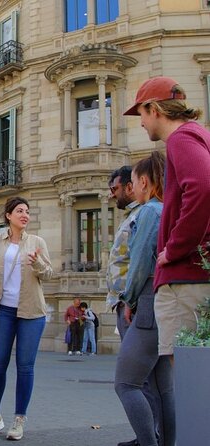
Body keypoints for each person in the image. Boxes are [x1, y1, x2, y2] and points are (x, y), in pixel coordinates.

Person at [124, 76, 210, 361]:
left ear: (154, 109)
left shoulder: (181, 139)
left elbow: (202, 187)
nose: (141, 123)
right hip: (197, 274)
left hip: (185, 278)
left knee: (187, 377)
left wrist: (173, 250)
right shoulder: (200, 135)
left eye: (141, 114)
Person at [0, 196, 54, 441]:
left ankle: (19, 420)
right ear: (8, 216)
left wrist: (38, 264)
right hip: (3, 311)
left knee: (25, 367)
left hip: (31, 312)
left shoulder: (36, 241)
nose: (25, 215)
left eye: (27, 211)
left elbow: (49, 273)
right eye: (19, 211)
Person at [114, 151, 175, 446]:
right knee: (164, 388)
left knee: (126, 384)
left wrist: (129, 298)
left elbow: (138, 262)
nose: (133, 189)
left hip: (148, 301)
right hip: (165, 301)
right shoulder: (170, 208)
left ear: (146, 182)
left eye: (136, 182)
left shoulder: (150, 211)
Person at [107, 166, 142, 339]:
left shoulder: (143, 214)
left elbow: (142, 261)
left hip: (132, 304)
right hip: (126, 303)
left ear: (129, 187)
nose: (112, 195)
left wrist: (129, 300)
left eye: (114, 189)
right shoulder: (131, 215)